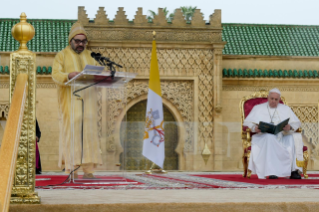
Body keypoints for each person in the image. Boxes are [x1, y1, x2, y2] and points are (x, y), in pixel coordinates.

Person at [52, 22, 102, 179]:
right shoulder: (62, 55)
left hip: (89, 104)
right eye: (78, 41)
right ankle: (72, 168)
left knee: (89, 133)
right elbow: (55, 74)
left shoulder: (91, 57)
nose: (81, 44)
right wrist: (68, 75)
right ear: (71, 41)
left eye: (83, 41)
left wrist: (101, 76)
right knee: (72, 132)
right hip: (71, 103)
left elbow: (99, 73)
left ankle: (88, 170)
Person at [243, 88, 304, 179]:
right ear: (268, 97)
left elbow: (296, 122)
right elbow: (247, 123)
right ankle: (272, 172)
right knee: (269, 137)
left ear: (279, 100)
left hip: (281, 135)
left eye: (276, 99)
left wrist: (289, 127)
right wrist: (254, 128)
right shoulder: (258, 108)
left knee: (292, 138)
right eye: (272, 99)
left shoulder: (285, 109)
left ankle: (293, 171)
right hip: (263, 137)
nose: (273, 101)